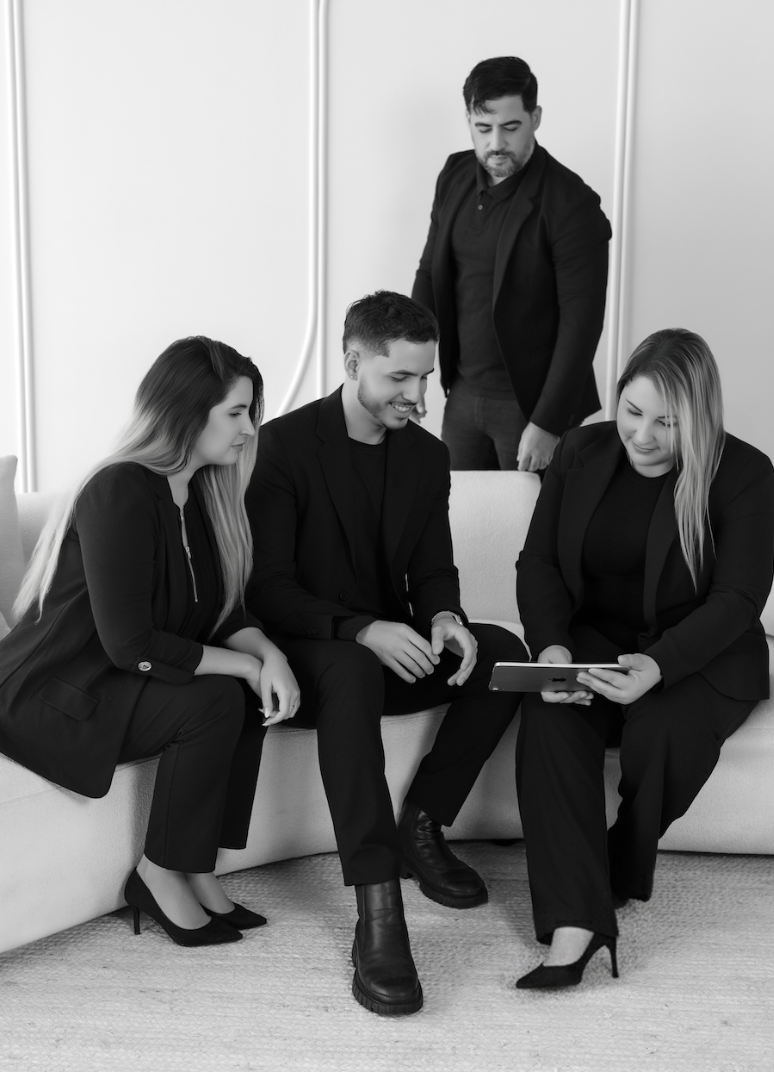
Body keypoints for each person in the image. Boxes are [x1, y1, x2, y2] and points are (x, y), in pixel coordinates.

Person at [246, 291, 526, 1015]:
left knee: (501, 650)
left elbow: (434, 565)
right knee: (349, 668)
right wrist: (360, 630)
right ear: (353, 364)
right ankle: (378, 910)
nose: (418, 395)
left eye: (426, 378)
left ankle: (423, 823)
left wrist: (444, 617)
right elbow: (268, 587)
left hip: (390, 649)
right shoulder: (281, 445)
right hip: (317, 652)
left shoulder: (428, 457)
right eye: (400, 378)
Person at [0, 337, 299, 947]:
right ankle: (158, 872)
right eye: (235, 413)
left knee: (240, 694)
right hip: (55, 692)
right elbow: (129, 642)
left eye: (251, 414)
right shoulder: (120, 489)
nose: (248, 430)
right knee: (217, 697)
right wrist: (242, 665)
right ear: (187, 411)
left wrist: (271, 657)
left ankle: (195, 863)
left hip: (118, 680)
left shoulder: (205, 494)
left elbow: (223, 611)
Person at [514, 328, 774, 988]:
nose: (643, 436)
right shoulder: (580, 449)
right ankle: (578, 923)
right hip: (594, 638)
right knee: (549, 719)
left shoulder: (745, 474)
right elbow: (539, 562)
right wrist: (552, 650)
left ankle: (617, 870)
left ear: (700, 417)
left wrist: (657, 666)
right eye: (632, 412)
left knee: (662, 728)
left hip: (700, 650)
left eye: (667, 422)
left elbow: (739, 598)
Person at [411, 55, 611, 473]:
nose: (495, 143)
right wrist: (410, 370)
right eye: (483, 128)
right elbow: (430, 273)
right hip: (462, 395)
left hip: (531, 406)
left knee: (531, 531)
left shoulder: (572, 204)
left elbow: (583, 322)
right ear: (468, 119)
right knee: (458, 522)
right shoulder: (454, 173)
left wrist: (547, 422)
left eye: (511, 127)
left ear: (535, 118)